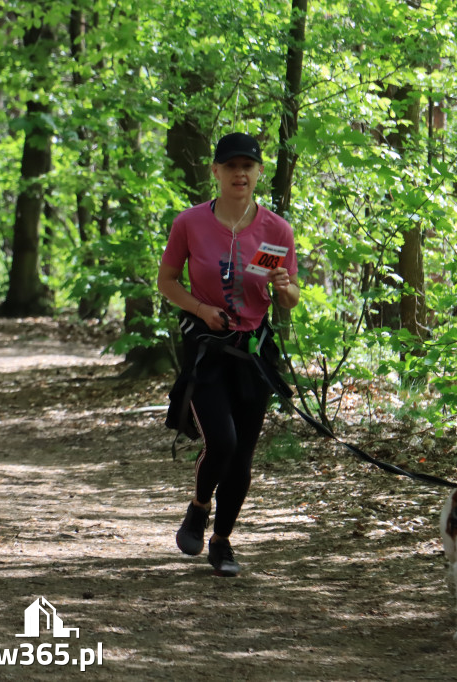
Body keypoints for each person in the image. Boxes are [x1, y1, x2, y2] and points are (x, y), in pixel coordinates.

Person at [157, 132, 300, 576]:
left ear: (259, 172)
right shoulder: (190, 223)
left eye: (248, 166)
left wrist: (284, 289)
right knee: (223, 441)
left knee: (242, 456)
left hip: (253, 353)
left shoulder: (275, 231)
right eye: (231, 166)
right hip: (207, 350)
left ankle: (222, 542)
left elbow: (290, 297)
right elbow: (167, 281)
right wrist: (201, 309)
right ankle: (199, 507)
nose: (240, 173)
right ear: (215, 172)